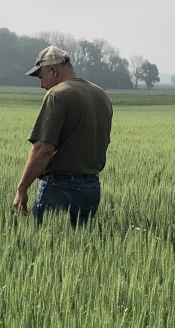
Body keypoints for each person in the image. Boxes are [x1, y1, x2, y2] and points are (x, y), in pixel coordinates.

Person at [13, 45, 113, 226]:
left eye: (41, 77)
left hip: (60, 188)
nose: (42, 85)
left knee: (45, 247)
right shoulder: (101, 94)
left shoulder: (57, 95)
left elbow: (43, 149)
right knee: (78, 249)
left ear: (52, 70)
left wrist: (22, 188)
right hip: (92, 188)